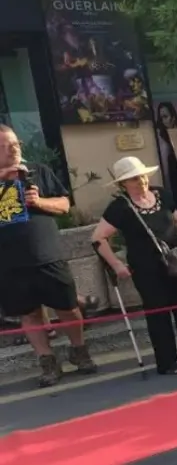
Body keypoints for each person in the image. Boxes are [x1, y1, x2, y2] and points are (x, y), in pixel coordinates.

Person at [92, 157, 177, 375]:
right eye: (134, 179)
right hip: (146, 267)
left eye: (142, 176)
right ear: (123, 184)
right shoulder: (120, 207)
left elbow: (176, 221)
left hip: (175, 260)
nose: (141, 181)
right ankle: (167, 362)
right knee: (158, 313)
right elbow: (98, 238)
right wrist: (117, 264)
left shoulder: (162, 195)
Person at [0, 124, 97, 387]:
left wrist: (39, 202)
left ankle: (79, 351)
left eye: (16, 144)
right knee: (29, 314)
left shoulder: (37, 171)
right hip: (10, 262)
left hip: (47, 255)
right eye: (6, 146)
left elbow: (65, 204)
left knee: (67, 307)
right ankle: (48, 361)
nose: (13, 150)